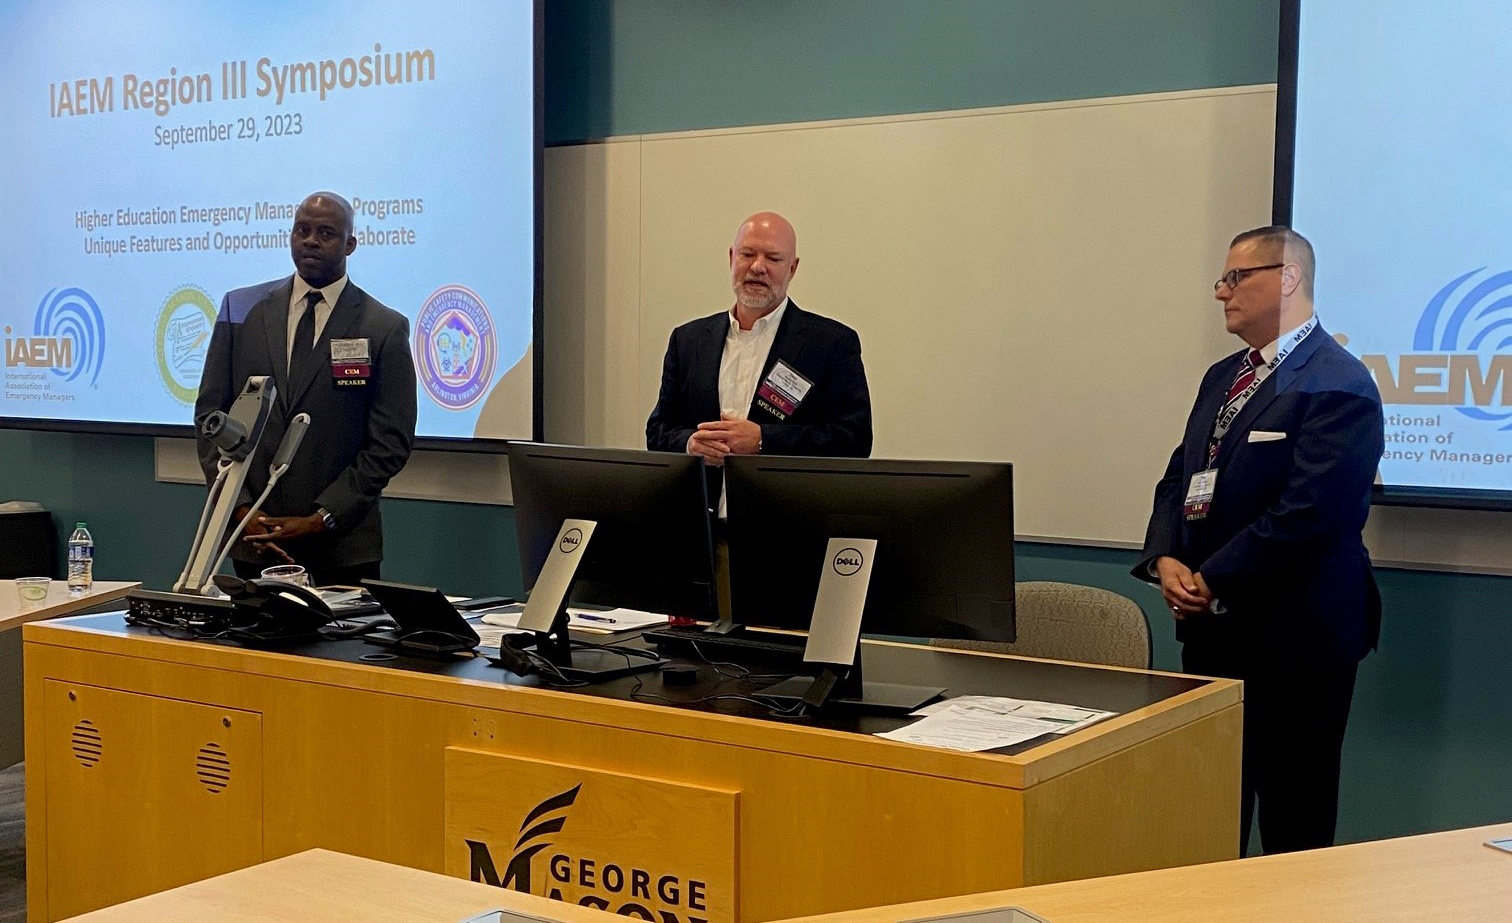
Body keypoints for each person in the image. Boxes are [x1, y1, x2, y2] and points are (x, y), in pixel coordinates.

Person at [1133, 226, 1384, 856]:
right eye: (1222, 279)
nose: (1221, 293)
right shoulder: (1225, 376)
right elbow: (1180, 473)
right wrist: (1167, 557)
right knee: (1210, 811)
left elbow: (1310, 514)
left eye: (1236, 278)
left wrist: (1210, 577)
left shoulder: (1338, 382)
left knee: (1294, 821)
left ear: (1289, 279)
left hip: (1298, 641)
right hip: (1216, 632)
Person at [195, 191, 417, 587]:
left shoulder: (383, 327)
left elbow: (389, 445)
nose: (311, 240)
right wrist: (242, 508)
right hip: (256, 541)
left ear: (350, 244)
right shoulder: (240, 311)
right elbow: (211, 420)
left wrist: (322, 519)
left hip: (342, 549)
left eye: (326, 232)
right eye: (302, 230)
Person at [645, 211, 872, 501]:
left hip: (786, 530)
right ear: (731, 258)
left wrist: (764, 440)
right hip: (698, 530)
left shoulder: (831, 343)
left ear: (792, 268)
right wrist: (690, 444)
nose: (757, 267)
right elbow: (658, 430)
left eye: (773, 259)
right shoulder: (688, 340)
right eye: (747, 254)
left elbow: (853, 440)